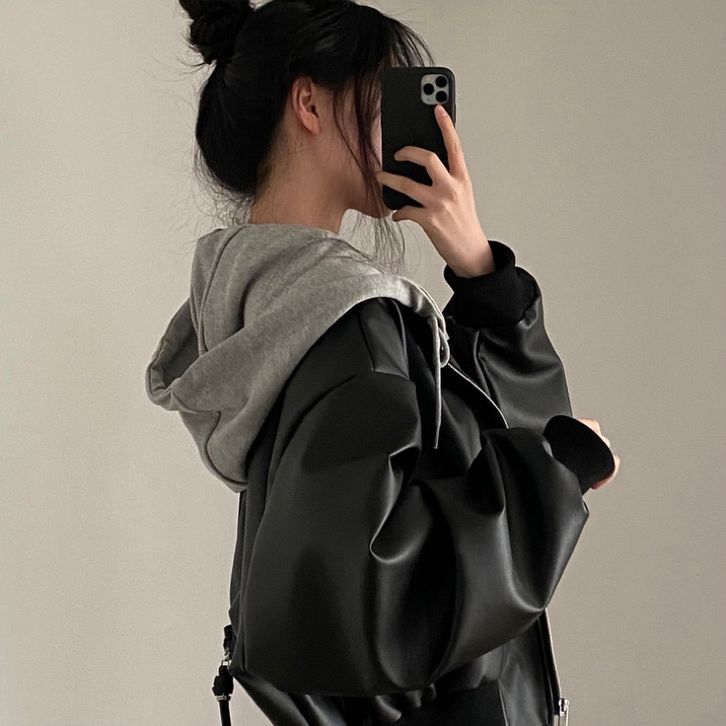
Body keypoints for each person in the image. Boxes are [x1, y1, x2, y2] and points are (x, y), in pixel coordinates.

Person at [145, 1, 621, 724]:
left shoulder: (266, 309)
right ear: (310, 104)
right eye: (387, 95)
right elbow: (385, 601)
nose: (405, 125)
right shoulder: (354, 321)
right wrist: (557, 472)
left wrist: (480, 270)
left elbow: (467, 454)